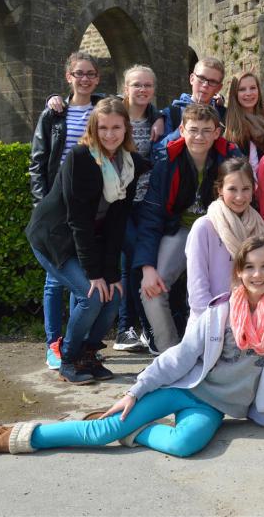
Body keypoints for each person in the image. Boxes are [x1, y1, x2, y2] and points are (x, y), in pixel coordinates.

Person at [0, 236, 264, 460]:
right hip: (182, 388)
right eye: (250, 268)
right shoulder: (219, 311)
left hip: (217, 407)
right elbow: (179, 357)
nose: (258, 275)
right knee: (101, 433)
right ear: (239, 272)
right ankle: (13, 436)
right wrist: (135, 391)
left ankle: (134, 432)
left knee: (184, 446)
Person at [25, 97, 151, 384]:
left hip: (89, 239)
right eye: (103, 127)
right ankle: (69, 358)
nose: (109, 134)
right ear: (94, 128)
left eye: (116, 127)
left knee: (114, 294)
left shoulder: (129, 164)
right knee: (91, 295)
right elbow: (78, 220)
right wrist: (95, 275)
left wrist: (111, 274)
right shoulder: (80, 158)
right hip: (54, 238)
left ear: (125, 129)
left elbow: (116, 222)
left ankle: (88, 354)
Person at [133, 104, 242, 352]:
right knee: (151, 289)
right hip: (180, 230)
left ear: (217, 132)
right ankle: (170, 354)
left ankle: (224, 351)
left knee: (222, 291)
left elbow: (243, 201)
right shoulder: (167, 160)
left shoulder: (231, 157)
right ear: (182, 130)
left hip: (220, 231)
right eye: (193, 130)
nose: (199, 137)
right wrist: (147, 267)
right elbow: (152, 215)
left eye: (206, 131)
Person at [28, 51, 105, 370]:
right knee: (54, 280)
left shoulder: (102, 109)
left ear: (97, 78)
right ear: (68, 76)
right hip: (56, 205)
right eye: (79, 73)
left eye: (90, 74)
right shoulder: (54, 114)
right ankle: (53, 343)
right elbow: (38, 161)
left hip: (87, 204)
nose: (85, 78)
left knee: (80, 276)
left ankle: (77, 340)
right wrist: (43, 205)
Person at [185, 157, 264, 322]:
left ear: (254, 190)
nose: (240, 197)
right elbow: (197, 287)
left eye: (246, 189)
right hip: (210, 322)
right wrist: (214, 323)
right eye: (232, 189)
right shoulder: (203, 228)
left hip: (252, 323)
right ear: (220, 189)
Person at [115, 65, 159, 351]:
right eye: (136, 85)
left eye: (147, 85)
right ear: (125, 88)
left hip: (147, 202)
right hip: (119, 202)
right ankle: (130, 327)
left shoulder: (158, 117)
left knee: (135, 262)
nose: (142, 90)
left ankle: (131, 328)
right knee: (132, 259)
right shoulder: (115, 116)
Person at [152, 57, 228, 157]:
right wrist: (182, 131)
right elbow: (157, 153)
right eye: (201, 78)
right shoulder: (173, 112)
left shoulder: (223, 115)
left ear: (219, 88)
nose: (205, 85)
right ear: (192, 78)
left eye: (212, 82)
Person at [223, 71, 264, 175]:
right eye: (242, 89)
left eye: (253, 88)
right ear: (235, 94)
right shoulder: (233, 125)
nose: (248, 93)